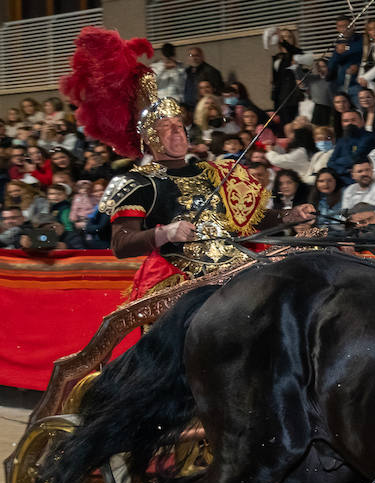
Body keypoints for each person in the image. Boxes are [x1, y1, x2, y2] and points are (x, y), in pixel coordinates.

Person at [61, 29, 314, 297]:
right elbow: (121, 244)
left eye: (179, 126)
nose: (177, 131)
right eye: (166, 128)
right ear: (149, 140)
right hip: (183, 277)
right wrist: (165, 233)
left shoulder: (216, 172)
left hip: (238, 265)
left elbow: (252, 219)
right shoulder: (137, 182)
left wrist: (290, 216)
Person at [263, 25, 306, 126]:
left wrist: (281, 40)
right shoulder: (277, 57)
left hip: (292, 96)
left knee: (292, 124)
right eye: (283, 36)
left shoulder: (297, 54)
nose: (285, 39)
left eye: (288, 36)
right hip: (279, 97)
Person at [328, 108, 375, 181]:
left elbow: (354, 159)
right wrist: (345, 170)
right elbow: (330, 163)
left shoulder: (369, 137)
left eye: (353, 120)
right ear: (342, 124)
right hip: (342, 178)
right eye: (346, 121)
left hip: (363, 178)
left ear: (362, 121)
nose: (349, 123)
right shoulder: (341, 140)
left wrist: (339, 161)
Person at [327, 15, 364, 96]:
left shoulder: (361, 38)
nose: (344, 29)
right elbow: (331, 65)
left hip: (357, 84)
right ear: (337, 29)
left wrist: (346, 48)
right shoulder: (338, 44)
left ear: (353, 26)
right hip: (341, 86)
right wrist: (337, 53)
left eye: (346, 26)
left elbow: (358, 48)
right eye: (340, 27)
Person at [181, 46, 224, 111]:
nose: (194, 58)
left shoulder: (211, 71)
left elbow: (218, 90)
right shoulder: (186, 72)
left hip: (204, 107)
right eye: (191, 55)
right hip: (189, 108)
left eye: (196, 55)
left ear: (202, 57)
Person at [311, 168, 346, 234]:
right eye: (321, 181)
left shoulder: (346, 194)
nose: (325, 184)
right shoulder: (316, 198)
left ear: (336, 181)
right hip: (322, 238)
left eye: (329, 181)